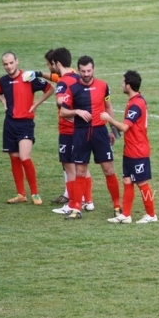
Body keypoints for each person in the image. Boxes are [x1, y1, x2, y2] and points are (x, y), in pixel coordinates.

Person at [59, 55, 121, 220]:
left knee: (109, 170)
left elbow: (108, 107)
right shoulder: (72, 88)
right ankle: (76, 208)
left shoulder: (103, 86)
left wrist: (113, 130)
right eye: (83, 71)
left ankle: (117, 206)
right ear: (78, 70)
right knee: (80, 172)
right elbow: (63, 112)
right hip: (81, 133)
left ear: (93, 69)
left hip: (100, 132)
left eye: (89, 70)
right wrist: (77, 111)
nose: (86, 74)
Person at [35, 48, 95, 207]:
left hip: (68, 129)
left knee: (70, 166)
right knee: (81, 165)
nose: (50, 67)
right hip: (82, 128)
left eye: (51, 64)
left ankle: (73, 203)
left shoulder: (64, 81)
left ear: (57, 63)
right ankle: (87, 201)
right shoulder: (77, 77)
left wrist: (69, 109)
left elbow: (61, 102)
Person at [0, 51, 54, 205]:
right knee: (14, 158)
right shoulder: (2, 81)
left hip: (25, 124)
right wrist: (3, 101)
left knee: (24, 157)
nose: (9, 66)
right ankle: (21, 194)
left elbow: (50, 89)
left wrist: (36, 104)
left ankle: (35, 193)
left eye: (11, 63)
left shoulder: (28, 78)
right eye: (6, 64)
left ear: (17, 61)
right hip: (10, 123)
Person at [100, 70, 157, 224]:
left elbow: (125, 127)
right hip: (130, 150)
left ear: (129, 86)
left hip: (138, 151)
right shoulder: (134, 101)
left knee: (142, 183)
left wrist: (109, 118)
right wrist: (114, 132)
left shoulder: (136, 104)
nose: (122, 84)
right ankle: (126, 215)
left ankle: (151, 215)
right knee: (127, 180)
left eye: (123, 82)